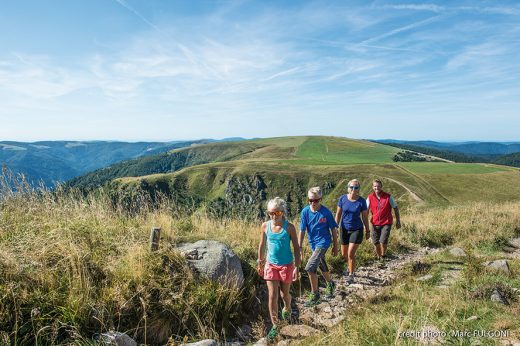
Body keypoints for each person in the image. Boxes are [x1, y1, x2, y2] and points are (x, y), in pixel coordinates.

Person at [257, 197, 301, 342]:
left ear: (282, 212)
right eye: (270, 213)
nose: (272, 216)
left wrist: (297, 267)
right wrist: (260, 262)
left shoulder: (289, 227)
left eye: (275, 213)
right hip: (271, 265)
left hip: (286, 265)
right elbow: (262, 245)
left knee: (284, 294)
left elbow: (296, 248)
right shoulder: (265, 226)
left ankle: (288, 306)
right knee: (272, 295)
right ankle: (275, 325)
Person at [299, 187, 338, 307]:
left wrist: (335, 246)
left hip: (324, 243)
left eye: (315, 200)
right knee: (321, 263)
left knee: (310, 268)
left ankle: (315, 295)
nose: (313, 203)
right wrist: (299, 247)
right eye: (310, 200)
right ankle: (330, 284)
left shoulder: (326, 212)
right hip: (313, 244)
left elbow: (333, 229)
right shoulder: (305, 212)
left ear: (320, 199)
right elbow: (302, 230)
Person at [335, 179, 369, 284]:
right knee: (344, 254)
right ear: (348, 188)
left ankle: (351, 274)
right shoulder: (342, 199)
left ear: (359, 189)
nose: (353, 189)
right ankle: (350, 266)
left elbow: (364, 217)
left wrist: (367, 230)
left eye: (356, 187)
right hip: (344, 229)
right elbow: (338, 215)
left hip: (357, 229)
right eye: (351, 187)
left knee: (350, 253)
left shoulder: (362, 201)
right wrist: (335, 228)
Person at [367, 179, 401, 260]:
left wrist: (398, 221)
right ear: (372, 187)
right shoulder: (370, 197)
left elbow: (395, 208)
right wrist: (365, 222)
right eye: (375, 186)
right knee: (375, 242)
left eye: (378, 186)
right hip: (374, 223)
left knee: (383, 240)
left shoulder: (388, 197)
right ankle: (379, 256)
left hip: (386, 222)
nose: (376, 188)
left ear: (381, 187)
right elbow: (366, 210)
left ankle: (383, 254)